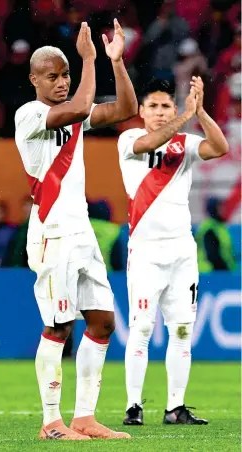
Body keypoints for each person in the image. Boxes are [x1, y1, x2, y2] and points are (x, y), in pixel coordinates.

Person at [15, 20, 137, 440]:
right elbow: (82, 108)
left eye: (66, 74)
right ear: (34, 79)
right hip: (52, 232)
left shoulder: (73, 118)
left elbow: (124, 109)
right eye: (54, 76)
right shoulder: (30, 115)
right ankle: (51, 423)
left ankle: (84, 418)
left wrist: (115, 62)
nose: (62, 82)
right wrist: (89, 59)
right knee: (59, 327)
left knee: (102, 322)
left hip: (81, 232)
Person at [117, 76, 229, 425]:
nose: (161, 112)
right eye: (154, 106)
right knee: (142, 328)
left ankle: (175, 408)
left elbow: (221, 147)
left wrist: (202, 112)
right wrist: (185, 115)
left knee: (182, 330)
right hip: (146, 253)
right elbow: (154, 141)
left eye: (167, 105)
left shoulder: (186, 143)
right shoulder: (130, 139)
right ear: (141, 110)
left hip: (182, 252)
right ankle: (134, 406)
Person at [196, 197, 236, 272]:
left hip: (220, 272)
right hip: (211, 272)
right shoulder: (210, 228)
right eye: (220, 208)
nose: (223, 210)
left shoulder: (220, 227)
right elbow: (212, 255)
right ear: (213, 209)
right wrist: (226, 269)